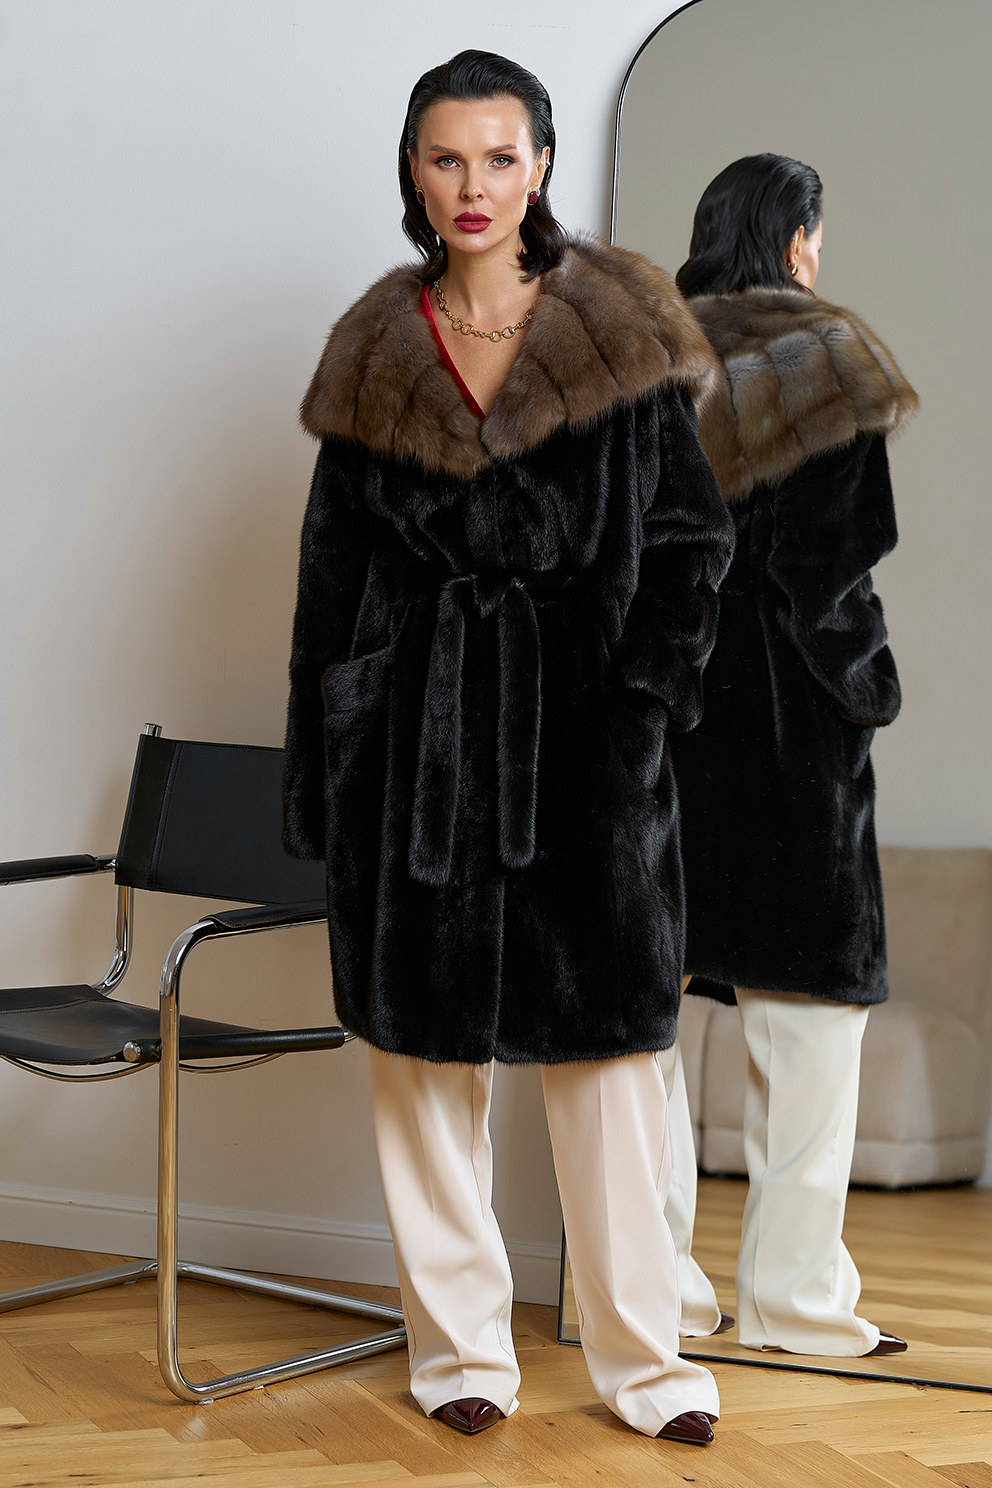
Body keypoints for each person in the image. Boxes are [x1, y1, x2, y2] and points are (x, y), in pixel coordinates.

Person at [282, 49, 735, 1445]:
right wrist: (329, 757)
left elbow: (692, 542)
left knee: (610, 1072)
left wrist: (639, 702)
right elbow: (328, 579)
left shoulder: (620, 336)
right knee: (424, 1070)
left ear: (540, 164)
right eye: (445, 158)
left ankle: (648, 1367)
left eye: (498, 155)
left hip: (582, 747)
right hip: (410, 748)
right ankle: (460, 1356)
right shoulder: (375, 355)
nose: (472, 185)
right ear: (413, 174)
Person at [666, 154, 918, 1357]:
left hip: (664, 725)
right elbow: (829, 567)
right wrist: (863, 686)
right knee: (810, 1029)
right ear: (797, 238)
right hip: (787, 731)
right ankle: (792, 1301)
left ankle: (651, 1294)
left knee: (642, 1033)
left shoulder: (645, 357)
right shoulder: (824, 357)